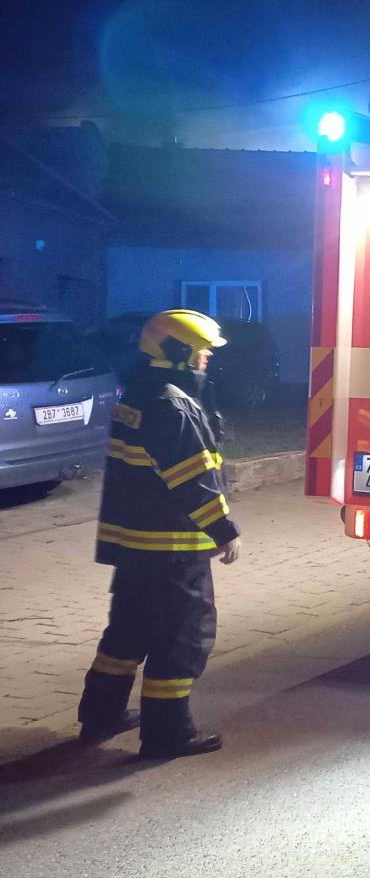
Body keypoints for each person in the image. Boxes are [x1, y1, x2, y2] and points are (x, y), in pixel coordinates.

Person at [77, 309, 242, 759]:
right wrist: (224, 530)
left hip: (135, 545)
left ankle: (101, 715)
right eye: (201, 350)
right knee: (182, 637)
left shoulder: (140, 394)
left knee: (128, 631)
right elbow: (192, 478)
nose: (207, 357)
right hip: (173, 547)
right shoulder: (174, 406)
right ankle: (167, 733)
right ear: (177, 352)